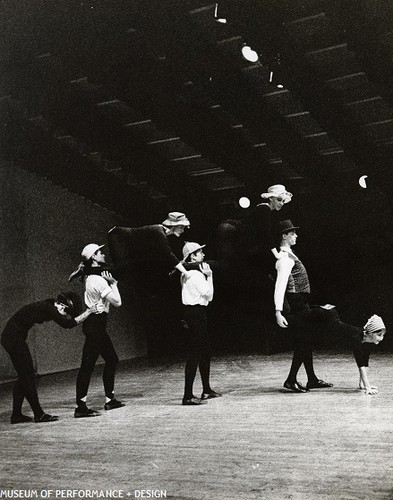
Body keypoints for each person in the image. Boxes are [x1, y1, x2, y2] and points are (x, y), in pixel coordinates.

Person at [1, 292, 103, 424]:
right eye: (67, 312)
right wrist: (89, 312)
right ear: (63, 306)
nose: (65, 315)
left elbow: (65, 318)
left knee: (24, 376)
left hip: (13, 338)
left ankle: (16, 415)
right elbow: (68, 324)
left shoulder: (49, 304)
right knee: (28, 377)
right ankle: (39, 414)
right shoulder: (50, 307)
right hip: (13, 339)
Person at [274, 220, 333, 393]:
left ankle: (311, 379)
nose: (296, 235)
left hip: (301, 301)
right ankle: (291, 379)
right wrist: (278, 311)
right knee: (304, 341)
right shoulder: (284, 259)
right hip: (295, 303)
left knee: (306, 341)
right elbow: (280, 286)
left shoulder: (289, 255)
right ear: (284, 236)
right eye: (292, 233)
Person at [71, 243, 124, 418]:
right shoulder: (99, 280)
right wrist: (114, 284)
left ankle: (109, 399)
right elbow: (117, 302)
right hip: (95, 325)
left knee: (109, 359)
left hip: (96, 325)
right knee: (89, 365)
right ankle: (82, 406)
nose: (103, 255)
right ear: (93, 257)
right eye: (100, 253)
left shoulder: (89, 276)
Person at [180, 241, 221, 405]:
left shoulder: (187, 274)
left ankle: (206, 390)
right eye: (199, 252)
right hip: (196, 313)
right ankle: (188, 395)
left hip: (195, 313)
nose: (203, 255)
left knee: (204, 352)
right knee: (195, 354)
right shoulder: (195, 275)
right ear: (192, 256)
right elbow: (209, 296)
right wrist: (210, 276)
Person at [107, 212, 192, 279]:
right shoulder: (158, 232)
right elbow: (168, 254)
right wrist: (186, 273)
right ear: (174, 226)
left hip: (128, 245)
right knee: (121, 270)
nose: (183, 231)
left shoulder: (161, 233)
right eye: (181, 227)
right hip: (117, 236)